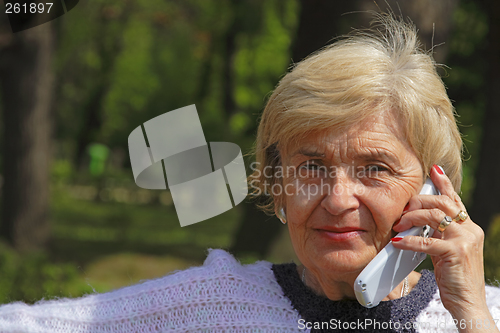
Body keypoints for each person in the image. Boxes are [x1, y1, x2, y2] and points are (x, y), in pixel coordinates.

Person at [1, 14, 499, 333]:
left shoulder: (483, 315)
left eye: (374, 169)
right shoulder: (212, 307)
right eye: (311, 167)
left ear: (434, 189)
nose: (338, 198)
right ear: (277, 185)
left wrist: (473, 319)